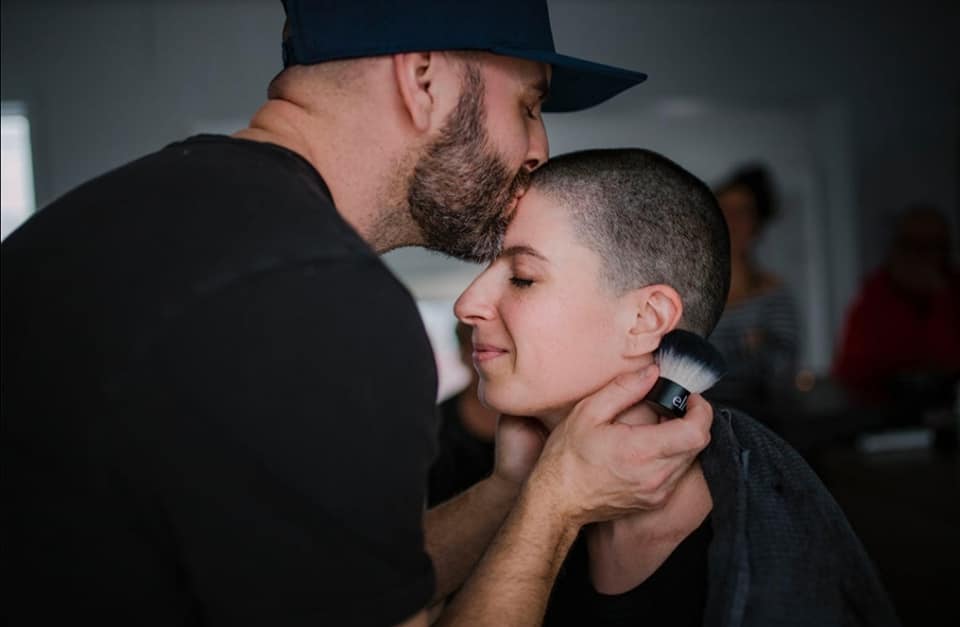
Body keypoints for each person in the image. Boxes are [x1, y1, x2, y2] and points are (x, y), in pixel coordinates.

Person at [1, 2, 715, 626]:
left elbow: (322, 586)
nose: (539, 148)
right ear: (424, 77)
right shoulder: (313, 300)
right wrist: (553, 506)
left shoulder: (127, 216)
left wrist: (510, 490)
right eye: (528, 105)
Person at [454, 148, 900, 626]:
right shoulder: (517, 503)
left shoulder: (749, 558)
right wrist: (521, 492)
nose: (467, 303)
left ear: (646, 319)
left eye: (521, 277)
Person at [832, 204, 960, 410]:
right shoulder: (874, 297)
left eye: (934, 246)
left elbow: (950, 361)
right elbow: (850, 373)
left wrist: (940, 300)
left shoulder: (952, 292)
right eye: (913, 246)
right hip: (885, 417)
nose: (922, 257)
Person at [706, 164, 800, 415]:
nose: (732, 221)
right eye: (724, 209)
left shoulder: (774, 295)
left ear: (757, 224)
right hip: (697, 421)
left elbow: (782, 375)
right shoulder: (687, 296)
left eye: (742, 212)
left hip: (760, 423)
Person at [428, 321, 499, 507]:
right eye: (476, 350)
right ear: (462, 353)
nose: (487, 363)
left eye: (496, 351)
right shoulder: (436, 422)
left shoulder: (541, 419)